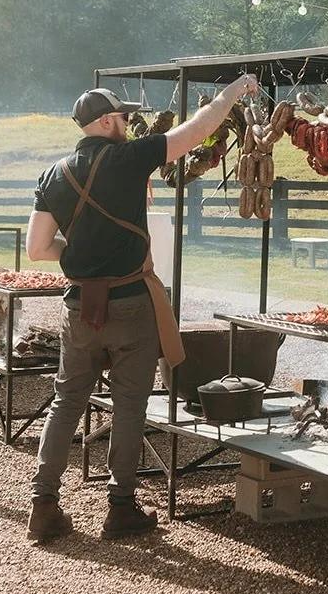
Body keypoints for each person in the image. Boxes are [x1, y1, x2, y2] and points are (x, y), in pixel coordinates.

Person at [25, 75, 258, 543]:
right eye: (124, 117)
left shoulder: (53, 174)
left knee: (67, 401)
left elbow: (36, 248)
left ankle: (44, 504)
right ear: (106, 121)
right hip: (131, 303)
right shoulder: (129, 158)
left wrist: (79, 256)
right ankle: (121, 507)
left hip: (79, 305)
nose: (130, 123)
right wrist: (232, 93)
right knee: (129, 406)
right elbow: (195, 131)